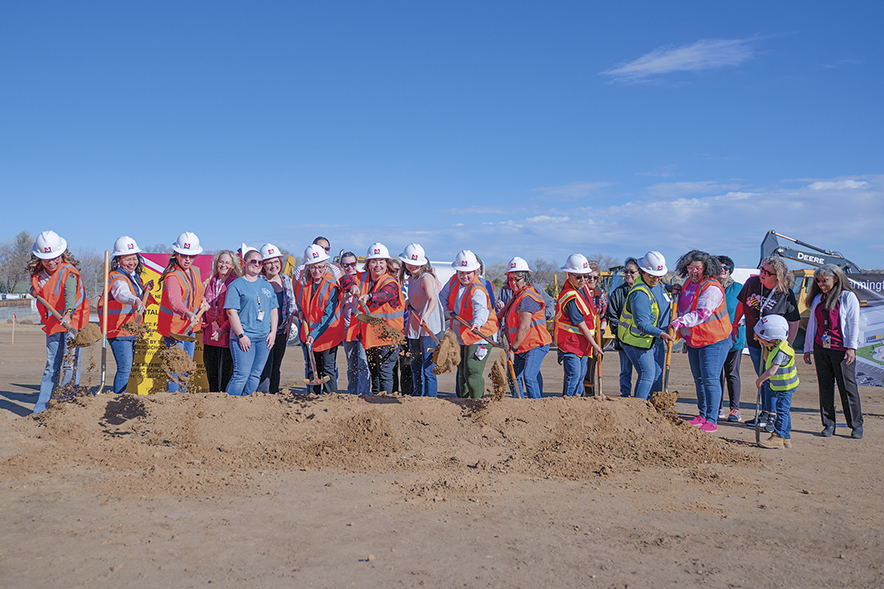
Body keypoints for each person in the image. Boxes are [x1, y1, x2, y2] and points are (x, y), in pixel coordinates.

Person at [732, 256, 800, 431]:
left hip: (774, 345)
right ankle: (764, 412)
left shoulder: (785, 293)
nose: (761, 274)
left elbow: (794, 321)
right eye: (761, 270)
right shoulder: (752, 283)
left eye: (766, 272)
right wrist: (735, 324)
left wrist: (787, 346)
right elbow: (742, 304)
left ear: (777, 276)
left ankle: (772, 416)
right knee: (762, 376)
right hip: (755, 341)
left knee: (771, 378)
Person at [669, 250, 732, 433]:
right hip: (695, 339)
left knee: (710, 379)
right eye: (690, 268)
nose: (693, 271)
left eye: (697, 268)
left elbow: (702, 313)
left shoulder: (711, 287)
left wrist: (679, 322)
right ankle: (702, 414)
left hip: (715, 340)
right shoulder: (689, 283)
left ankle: (712, 419)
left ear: (706, 268)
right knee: (699, 379)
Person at [28, 231, 90, 413]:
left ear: (62, 254)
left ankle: (66, 405)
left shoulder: (69, 272)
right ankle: (41, 409)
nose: (52, 262)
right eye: (47, 259)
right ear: (39, 259)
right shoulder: (38, 276)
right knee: (51, 366)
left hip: (72, 323)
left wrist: (68, 313)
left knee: (70, 364)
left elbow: (70, 295)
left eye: (55, 257)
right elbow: (43, 293)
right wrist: (34, 292)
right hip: (53, 324)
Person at [803, 264, 863, 439]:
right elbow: (812, 326)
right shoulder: (818, 299)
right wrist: (807, 348)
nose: (822, 284)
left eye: (825, 280)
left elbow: (854, 324)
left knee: (847, 387)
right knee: (825, 387)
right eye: (819, 281)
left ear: (835, 279)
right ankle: (829, 424)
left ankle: (855, 425)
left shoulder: (847, 297)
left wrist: (851, 348)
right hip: (821, 349)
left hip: (841, 350)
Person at [440, 250, 499, 399]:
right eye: (461, 272)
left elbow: (481, 310)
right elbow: (442, 297)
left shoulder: (478, 289)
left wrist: (477, 323)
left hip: (481, 334)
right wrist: (446, 311)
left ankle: (477, 403)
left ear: (475, 271)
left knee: (473, 369)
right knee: (462, 369)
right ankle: (463, 402)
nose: (464, 276)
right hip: (462, 333)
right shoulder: (453, 281)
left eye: (468, 273)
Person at [349, 243, 405, 394]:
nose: (377, 265)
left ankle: (385, 401)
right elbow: (345, 280)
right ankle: (375, 401)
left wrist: (369, 296)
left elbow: (384, 295)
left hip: (389, 336)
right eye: (373, 261)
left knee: (385, 373)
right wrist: (351, 286)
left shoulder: (390, 283)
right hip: (371, 337)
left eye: (381, 261)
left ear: (387, 265)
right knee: (374, 372)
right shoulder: (362, 278)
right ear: (368, 264)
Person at [617, 251, 673, 400]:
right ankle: (639, 409)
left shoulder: (657, 283)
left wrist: (670, 288)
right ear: (643, 272)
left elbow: (660, 287)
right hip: (637, 341)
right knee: (648, 374)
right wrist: (661, 333)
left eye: (659, 275)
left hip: (653, 340)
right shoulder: (640, 294)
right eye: (652, 275)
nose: (656, 279)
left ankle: (654, 409)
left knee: (656, 375)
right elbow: (641, 323)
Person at [100, 236, 153, 394]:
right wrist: (135, 299)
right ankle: (118, 401)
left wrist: (145, 291)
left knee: (128, 369)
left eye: (134, 258)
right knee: (124, 368)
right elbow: (121, 293)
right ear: (118, 260)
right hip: (119, 331)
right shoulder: (117, 277)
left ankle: (123, 399)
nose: (132, 262)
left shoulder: (134, 277)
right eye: (127, 259)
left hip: (131, 330)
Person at [157, 232, 209, 393]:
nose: (188, 259)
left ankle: (183, 398)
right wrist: (187, 313)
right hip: (174, 330)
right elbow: (175, 302)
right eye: (184, 255)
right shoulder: (172, 276)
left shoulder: (195, 271)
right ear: (176, 254)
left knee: (186, 365)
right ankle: (174, 401)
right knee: (175, 367)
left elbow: (197, 293)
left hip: (190, 329)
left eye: (191, 256)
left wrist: (203, 302)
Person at [225, 249, 278, 396]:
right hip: (245, 337)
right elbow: (231, 312)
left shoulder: (266, 285)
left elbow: (274, 309)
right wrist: (241, 335)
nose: (257, 264)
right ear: (245, 263)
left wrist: (273, 332)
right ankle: (229, 405)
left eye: (260, 262)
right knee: (241, 375)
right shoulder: (236, 285)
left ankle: (247, 404)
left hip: (264, 338)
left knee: (255, 375)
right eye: (253, 261)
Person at [498, 257, 551, 398]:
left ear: (526, 278)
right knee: (512, 375)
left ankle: (536, 407)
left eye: (517, 279)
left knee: (529, 376)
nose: (513, 282)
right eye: (510, 279)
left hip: (535, 344)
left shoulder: (527, 297)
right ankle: (519, 405)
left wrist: (512, 349)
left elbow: (523, 327)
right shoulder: (517, 296)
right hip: (522, 344)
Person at [554, 254, 604, 397]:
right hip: (571, 343)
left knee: (581, 376)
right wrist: (595, 345)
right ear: (569, 275)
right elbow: (580, 323)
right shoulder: (569, 295)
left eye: (585, 277)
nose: (583, 280)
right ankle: (569, 405)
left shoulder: (581, 289)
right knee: (574, 376)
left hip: (582, 343)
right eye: (579, 277)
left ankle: (578, 404)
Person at [298, 244, 346, 394]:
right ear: (308, 267)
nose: (316, 271)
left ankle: (331, 399)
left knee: (327, 368)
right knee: (313, 368)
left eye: (320, 267)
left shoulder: (331, 284)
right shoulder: (305, 282)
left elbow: (328, 315)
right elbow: (303, 302)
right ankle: (313, 397)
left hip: (328, 333)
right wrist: (300, 311)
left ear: (326, 265)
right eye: (313, 267)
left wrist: (314, 334)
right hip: (310, 332)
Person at [400, 243, 444, 397]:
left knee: (428, 367)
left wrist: (426, 314)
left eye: (416, 263)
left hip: (428, 327)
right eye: (409, 263)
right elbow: (417, 298)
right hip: (415, 325)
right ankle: (418, 395)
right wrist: (409, 303)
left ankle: (430, 399)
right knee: (415, 364)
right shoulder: (412, 279)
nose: (412, 266)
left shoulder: (426, 278)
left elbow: (432, 299)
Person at [754, 315, 799, 449]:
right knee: (784, 410)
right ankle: (786, 438)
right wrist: (766, 346)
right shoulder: (774, 347)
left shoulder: (782, 351)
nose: (759, 341)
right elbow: (767, 358)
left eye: (762, 339)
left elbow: (772, 371)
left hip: (786, 386)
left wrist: (760, 379)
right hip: (780, 386)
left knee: (782, 411)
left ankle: (778, 436)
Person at [258, 243, 296, 394]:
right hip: (264, 332)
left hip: (281, 331)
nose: (273, 266)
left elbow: (291, 302)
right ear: (263, 265)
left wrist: (289, 323)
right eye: (269, 263)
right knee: (264, 366)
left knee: (276, 366)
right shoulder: (259, 281)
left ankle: (274, 394)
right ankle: (263, 395)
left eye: (276, 261)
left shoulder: (286, 279)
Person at [202, 250, 241, 392]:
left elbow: (235, 312)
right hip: (209, 336)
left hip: (226, 336)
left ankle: (223, 405)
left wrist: (222, 329)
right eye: (221, 261)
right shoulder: (210, 281)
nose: (223, 265)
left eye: (227, 262)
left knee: (225, 375)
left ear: (232, 265)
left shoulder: (236, 282)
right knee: (211, 373)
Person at [716, 255, 745, 422]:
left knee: (732, 373)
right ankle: (717, 407)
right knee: (716, 374)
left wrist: (744, 319)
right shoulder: (709, 287)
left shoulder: (739, 288)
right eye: (719, 267)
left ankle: (735, 409)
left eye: (726, 268)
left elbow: (750, 308)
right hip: (714, 338)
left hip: (734, 338)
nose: (723, 270)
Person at [606, 257, 640, 397]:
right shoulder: (618, 293)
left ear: (639, 272)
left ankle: (640, 398)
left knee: (644, 372)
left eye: (631, 271)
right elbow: (612, 316)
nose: (628, 275)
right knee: (625, 370)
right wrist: (620, 335)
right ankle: (625, 396)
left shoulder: (645, 291)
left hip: (642, 341)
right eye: (626, 272)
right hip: (625, 341)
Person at [339, 251, 370, 394]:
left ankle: (364, 393)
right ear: (342, 265)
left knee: (363, 363)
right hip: (347, 329)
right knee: (351, 364)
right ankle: (352, 393)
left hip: (362, 328)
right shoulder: (341, 282)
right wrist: (344, 298)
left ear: (357, 263)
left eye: (352, 264)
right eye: (346, 265)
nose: (350, 267)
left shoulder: (363, 279)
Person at [583, 261, 609, 396]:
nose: (592, 280)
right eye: (589, 277)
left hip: (596, 335)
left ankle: (591, 393)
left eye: (595, 278)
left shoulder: (601, 294)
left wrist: (602, 332)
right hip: (581, 336)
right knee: (581, 368)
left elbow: (604, 316)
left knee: (593, 366)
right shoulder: (580, 293)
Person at [389, 258, 413, 395]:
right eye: (390, 270)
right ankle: (391, 395)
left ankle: (406, 396)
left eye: (396, 270)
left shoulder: (409, 287)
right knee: (391, 367)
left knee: (406, 367)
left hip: (406, 333)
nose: (394, 273)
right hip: (390, 333)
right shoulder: (383, 287)